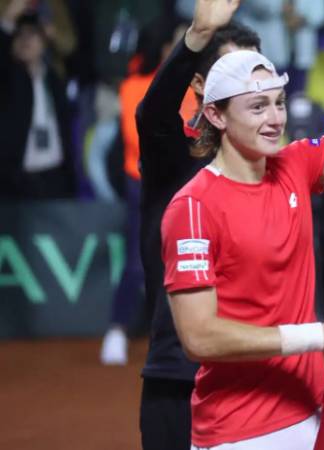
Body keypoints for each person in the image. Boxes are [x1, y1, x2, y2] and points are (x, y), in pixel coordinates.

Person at [161, 0, 324, 448]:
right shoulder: (194, 207)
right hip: (239, 432)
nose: (275, 119)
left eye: (278, 103)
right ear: (216, 115)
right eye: (257, 107)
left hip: (311, 413)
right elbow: (200, 337)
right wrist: (319, 334)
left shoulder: (295, 165)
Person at [135, 2, 262, 449]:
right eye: (233, 74)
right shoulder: (174, 157)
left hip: (254, 381)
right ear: (200, 86)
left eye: (256, 75)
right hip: (179, 381)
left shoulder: (276, 168)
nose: (249, 89)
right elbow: (152, 114)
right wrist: (197, 37)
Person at [100, 16, 192, 366]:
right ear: (165, 48)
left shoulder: (200, 87)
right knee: (138, 263)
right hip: (144, 184)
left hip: (190, 183)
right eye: (181, 41)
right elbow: (137, 141)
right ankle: (117, 331)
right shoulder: (134, 86)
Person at [0, 0, 76, 200]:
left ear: (43, 40)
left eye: (32, 34)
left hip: (54, 175)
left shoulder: (54, 79)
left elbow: (73, 51)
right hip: (17, 180)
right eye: (20, 35)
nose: (26, 41)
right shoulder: (8, 78)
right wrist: (7, 22)